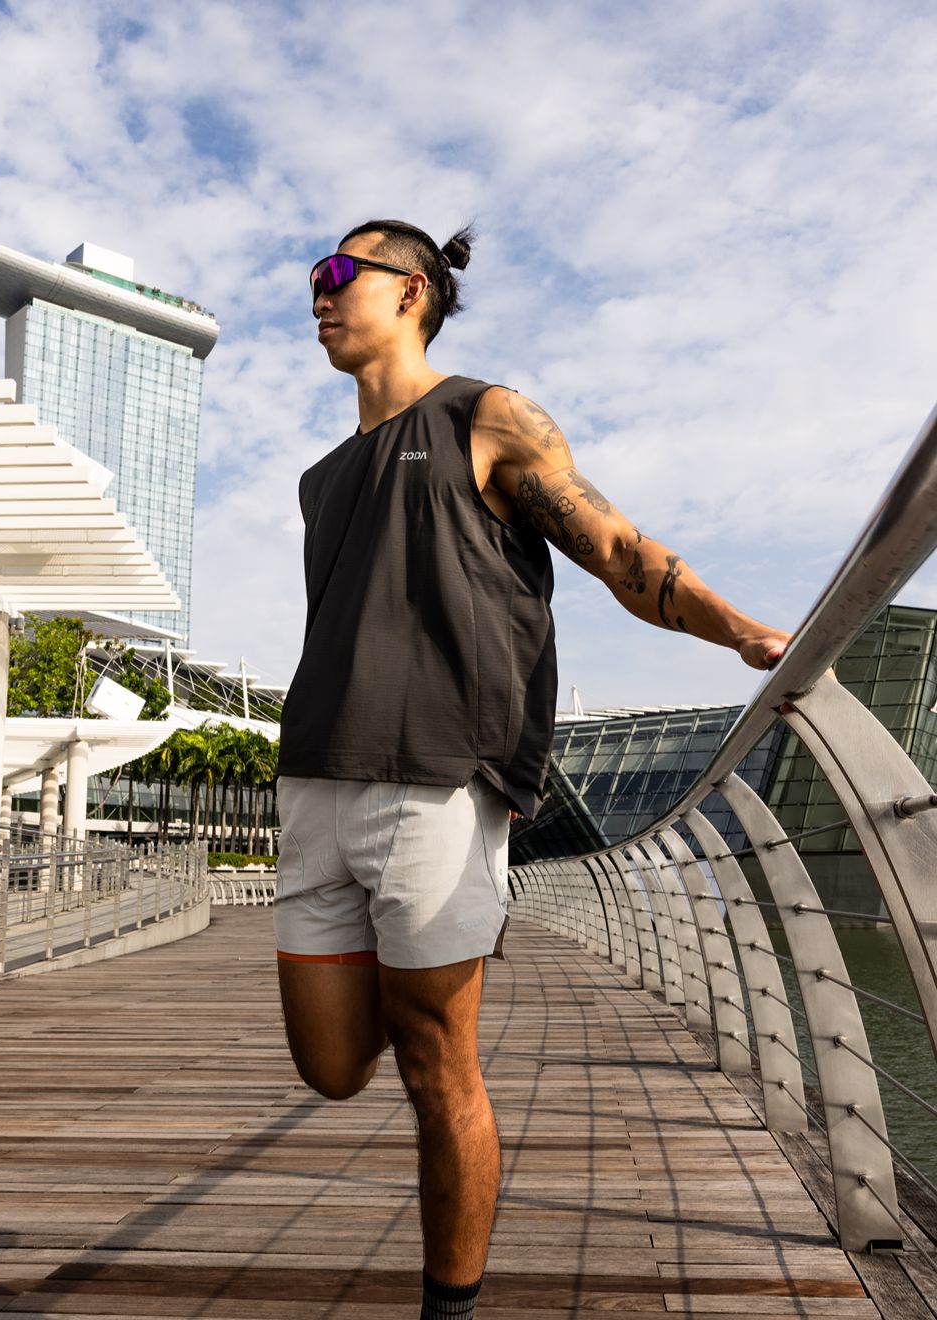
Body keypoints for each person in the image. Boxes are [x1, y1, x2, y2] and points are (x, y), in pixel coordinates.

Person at [273, 219, 790, 1319]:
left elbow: (619, 552)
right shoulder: (322, 480)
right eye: (311, 281)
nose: (316, 296)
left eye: (335, 275)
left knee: (434, 1065)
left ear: (413, 291)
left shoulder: (486, 417)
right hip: (316, 776)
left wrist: (742, 632)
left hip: (438, 783)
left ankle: (449, 1306)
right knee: (330, 1066)